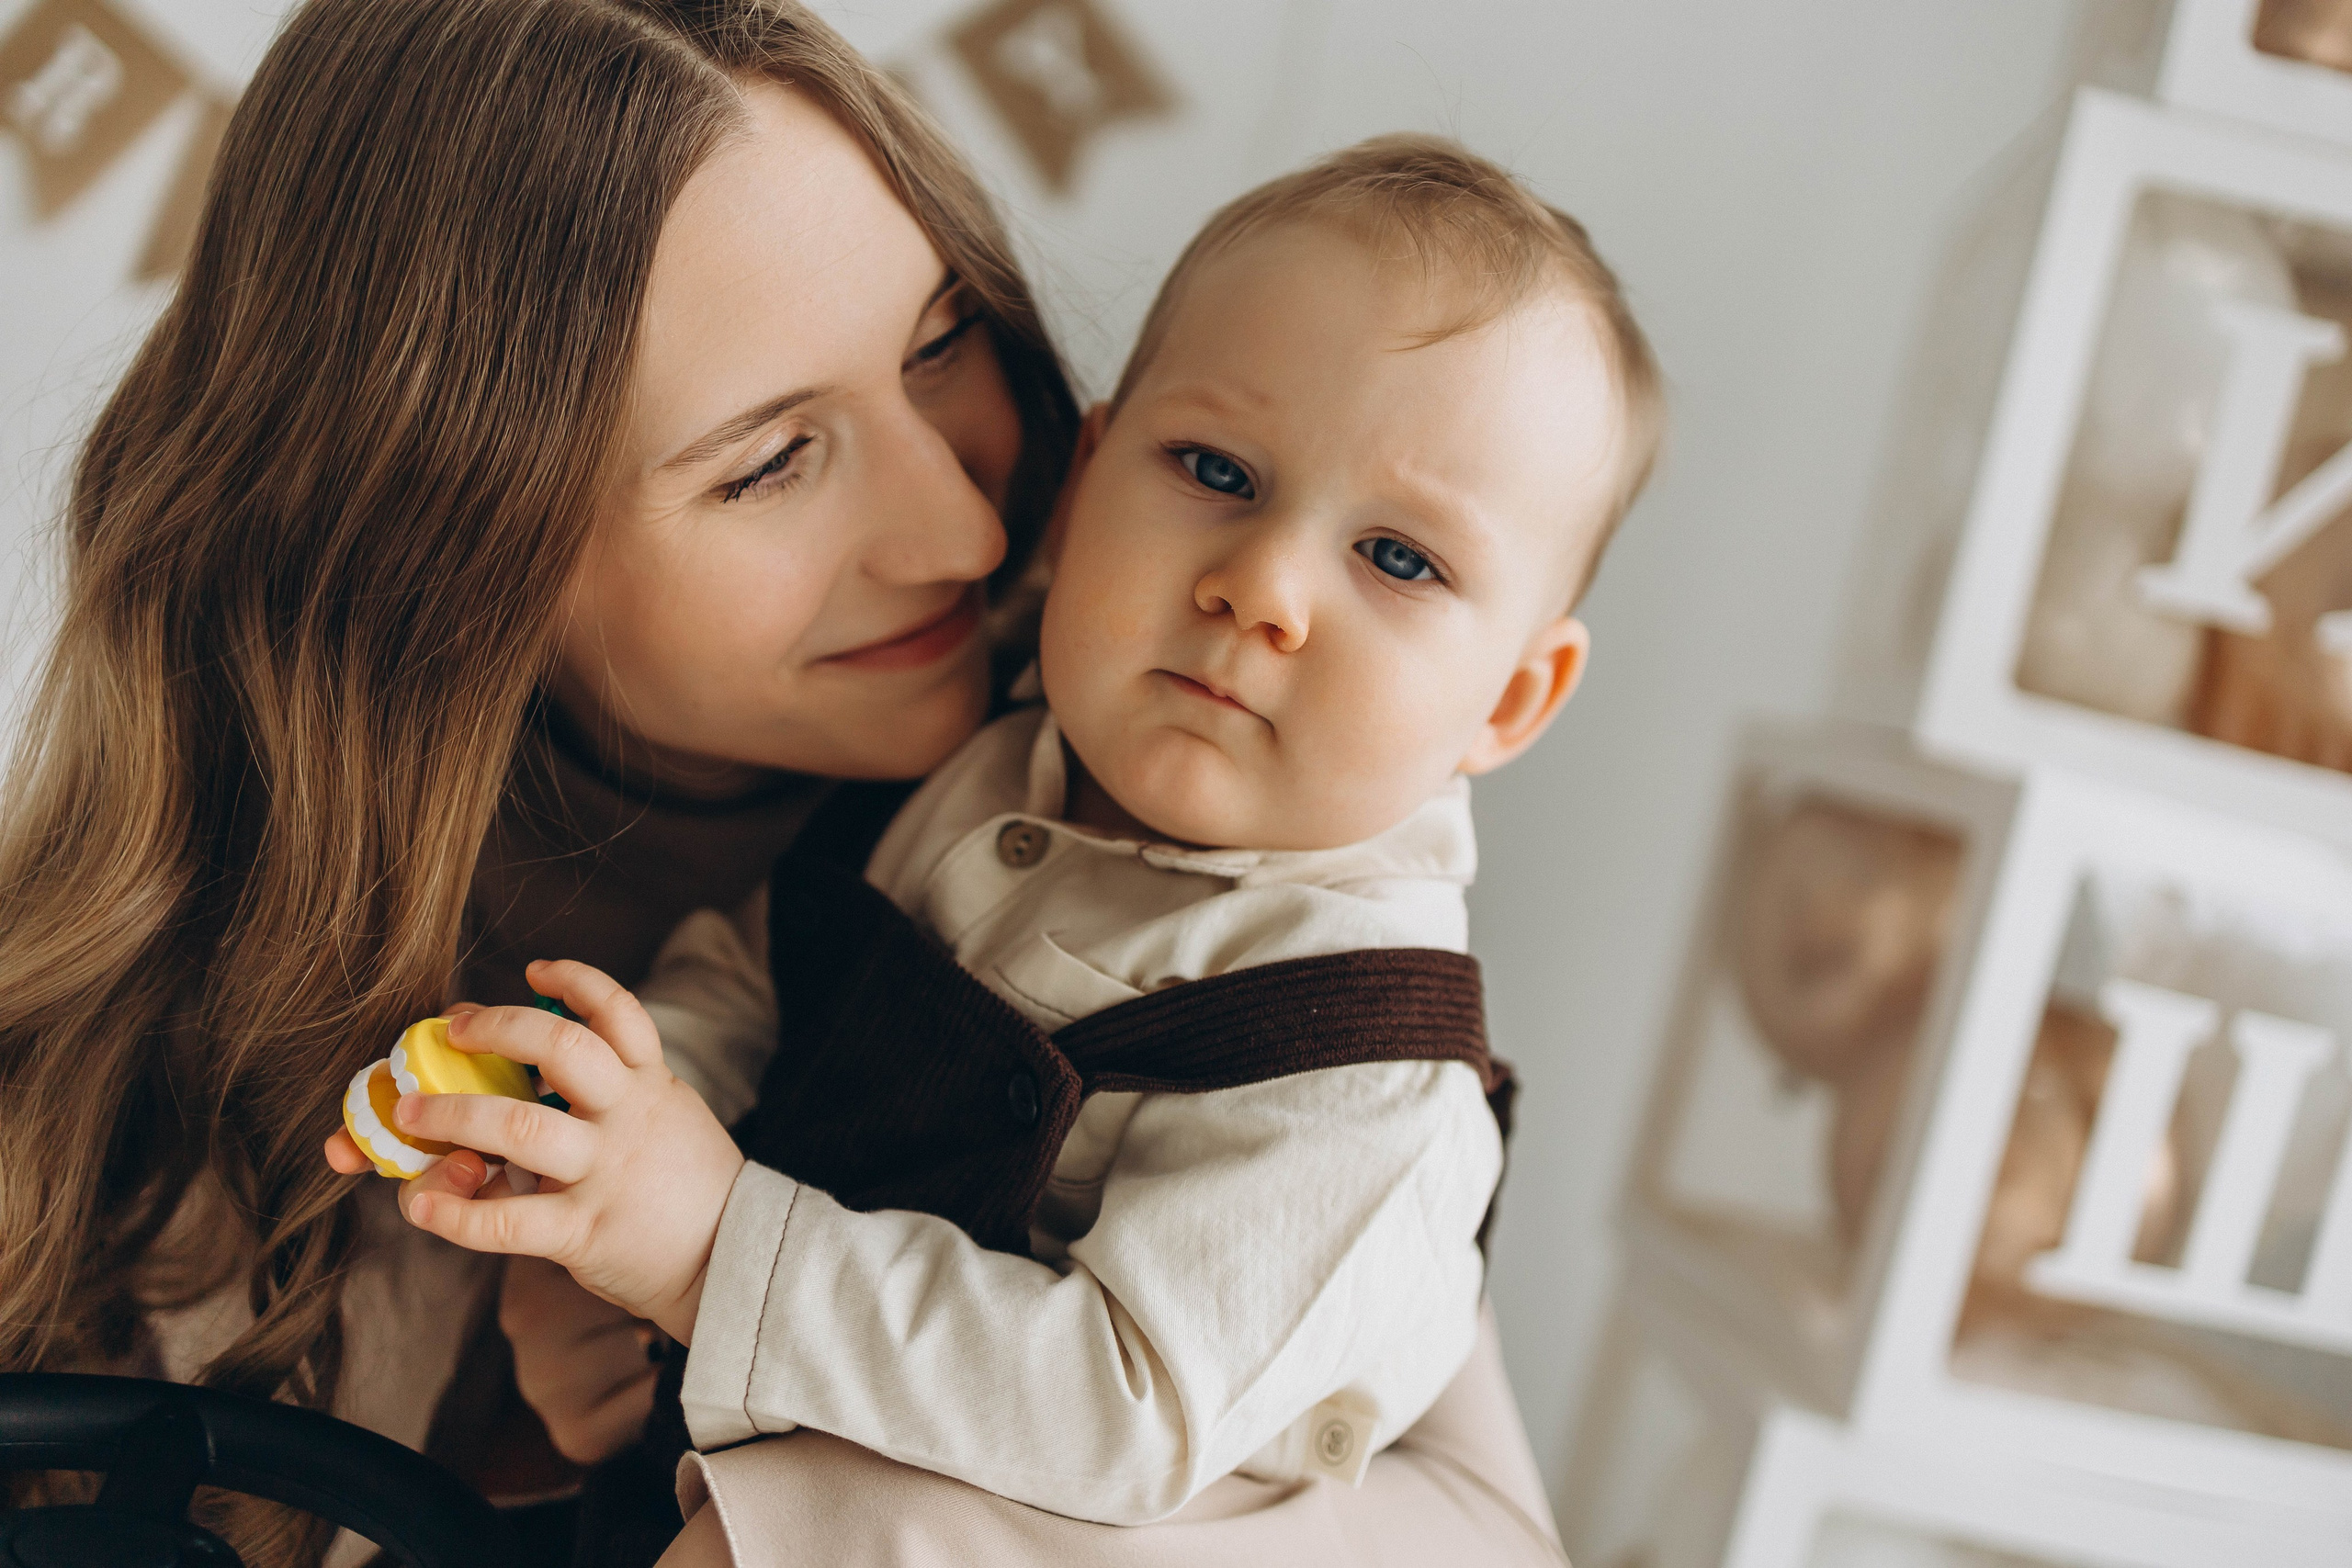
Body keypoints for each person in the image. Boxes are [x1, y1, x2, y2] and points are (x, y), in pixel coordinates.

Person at [0, 0, 1568, 1562]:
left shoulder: (1187, 874)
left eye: (939, 345)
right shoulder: (146, 1061)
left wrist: (823, 1497)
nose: (963, 532)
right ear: (447, 550)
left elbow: (1472, 1535)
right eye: (767, 463)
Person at [387, 135, 1661, 1550]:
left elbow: (1118, 1412)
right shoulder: (986, 762)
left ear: (1513, 699)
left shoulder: (1369, 1077)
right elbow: (769, 970)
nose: (1264, 589)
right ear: (1090, 478)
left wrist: (706, 1243)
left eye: (1401, 559)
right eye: (1216, 469)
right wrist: (626, 1107)